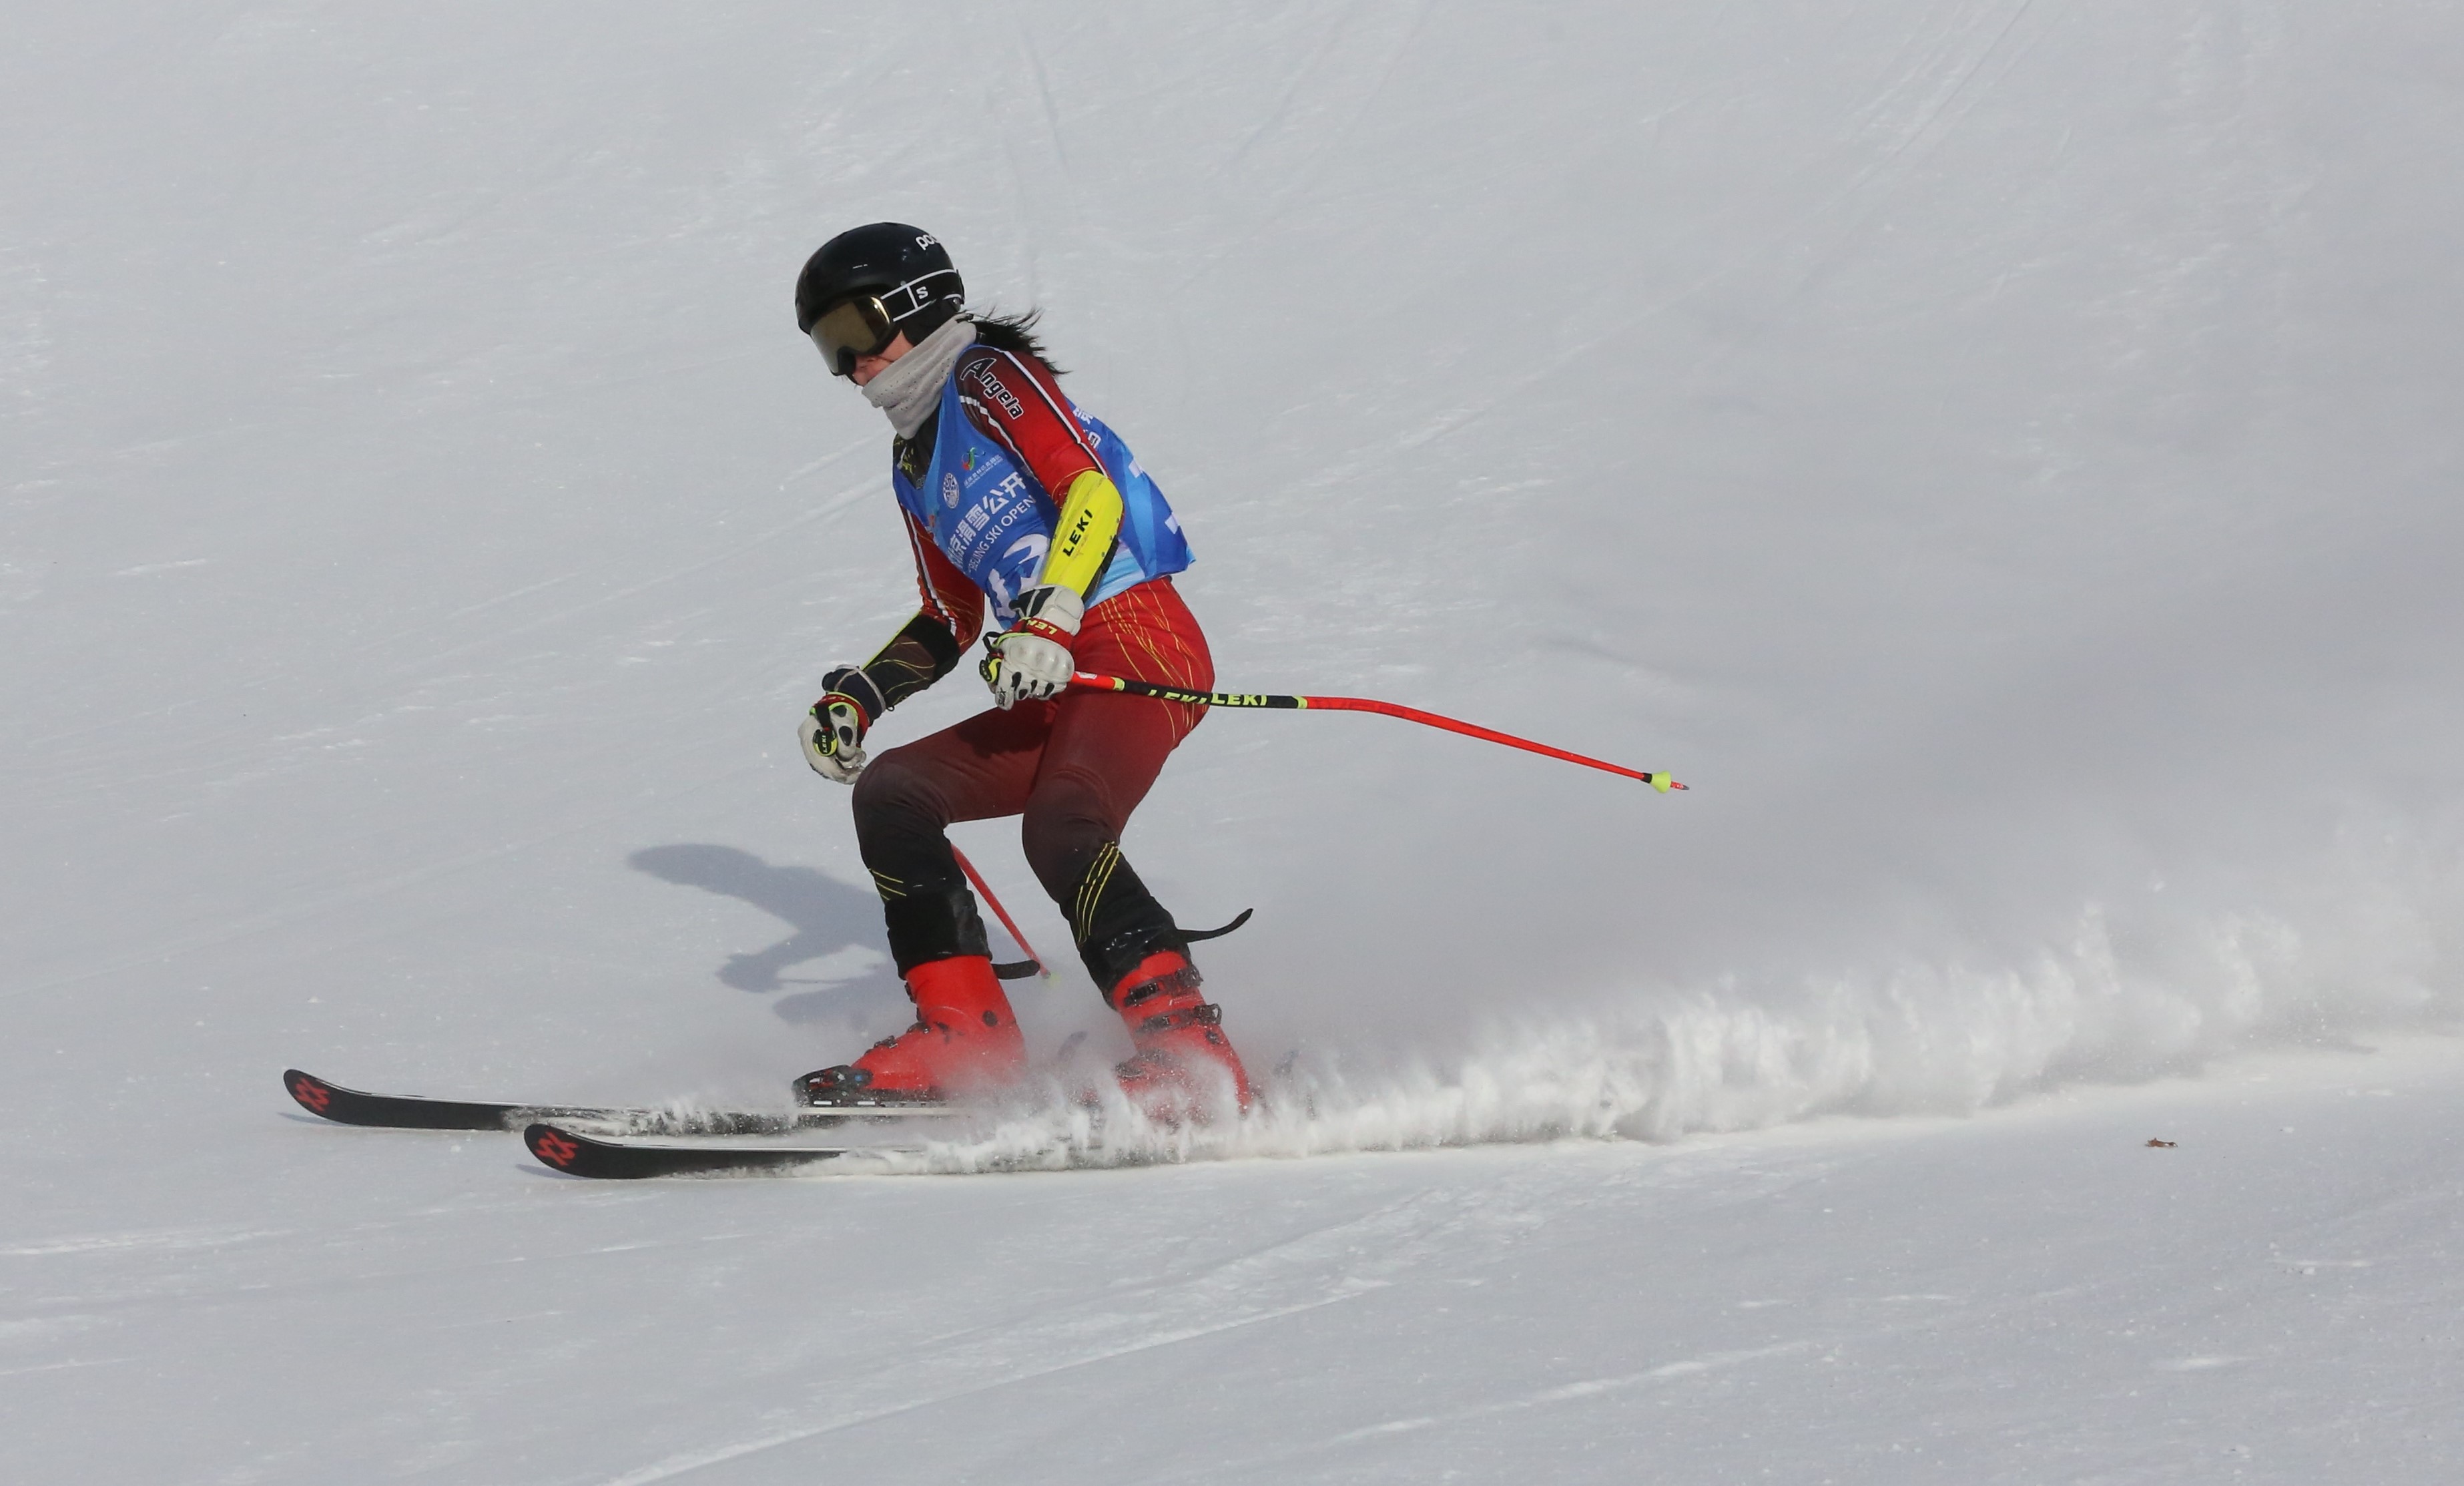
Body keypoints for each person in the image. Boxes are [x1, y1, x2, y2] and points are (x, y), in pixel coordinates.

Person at [788, 222, 1253, 1116]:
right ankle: (964, 1037)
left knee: (1061, 824)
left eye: (855, 330)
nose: (849, 365)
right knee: (891, 792)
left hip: (1135, 632)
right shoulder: (912, 460)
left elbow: (1089, 488)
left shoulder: (988, 377)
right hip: (1055, 668)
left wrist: (1050, 612)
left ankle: (1192, 1053)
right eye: (827, 348)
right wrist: (860, 698)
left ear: (914, 306)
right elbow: (948, 616)